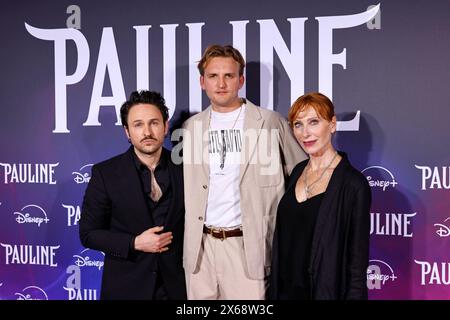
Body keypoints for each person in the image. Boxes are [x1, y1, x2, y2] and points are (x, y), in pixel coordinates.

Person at [182, 44, 307, 299]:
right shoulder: (191, 127)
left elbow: (302, 174)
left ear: (241, 80)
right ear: (202, 81)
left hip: (249, 248)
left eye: (228, 75)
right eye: (213, 76)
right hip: (200, 252)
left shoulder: (270, 121)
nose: (221, 83)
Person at [79, 90, 186, 300]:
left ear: (165, 127)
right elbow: (88, 234)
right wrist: (134, 242)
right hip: (126, 287)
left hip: (178, 288)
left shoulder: (186, 168)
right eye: (138, 125)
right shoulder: (106, 173)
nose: (147, 131)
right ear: (127, 132)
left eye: (154, 123)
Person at [268, 92, 371, 300]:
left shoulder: (354, 184)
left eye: (313, 122)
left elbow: (357, 265)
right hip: (285, 291)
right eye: (298, 124)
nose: (305, 133)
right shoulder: (297, 172)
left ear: (332, 125)